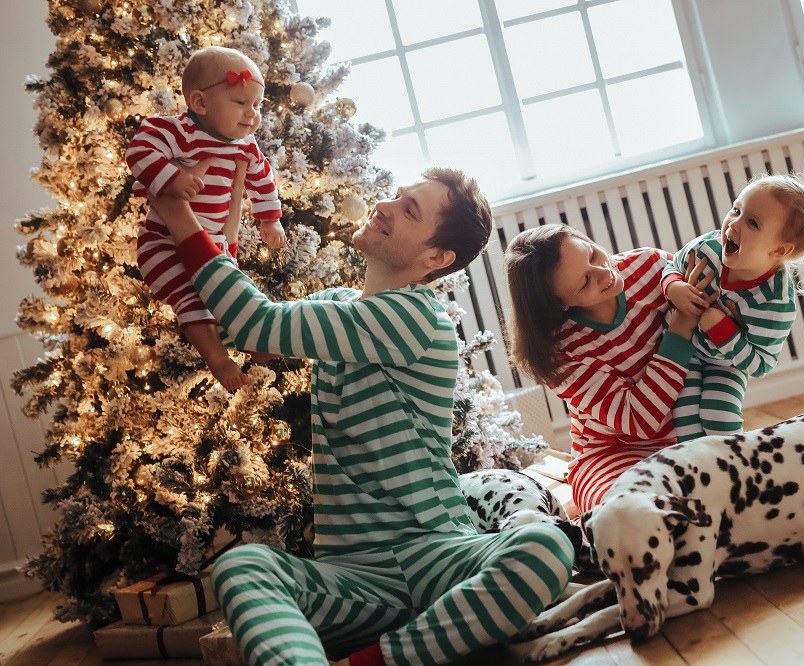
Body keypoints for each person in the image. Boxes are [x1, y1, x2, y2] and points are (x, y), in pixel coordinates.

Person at [148, 167, 574, 666]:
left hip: (438, 554)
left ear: (436, 258)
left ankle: (373, 661)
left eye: (409, 210)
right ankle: (417, 640)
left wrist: (177, 211)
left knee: (544, 545)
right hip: (353, 578)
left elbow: (254, 323)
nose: (386, 205)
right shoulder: (338, 307)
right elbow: (257, 338)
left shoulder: (416, 317)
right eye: (396, 196)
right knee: (242, 566)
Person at [504, 224, 718, 514]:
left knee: (725, 492)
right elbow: (640, 420)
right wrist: (682, 324)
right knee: (628, 510)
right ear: (559, 304)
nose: (604, 272)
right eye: (584, 282)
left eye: (592, 254)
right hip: (609, 453)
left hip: (691, 430)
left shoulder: (651, 266)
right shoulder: (556, 353)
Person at [126, 46, 286, 392]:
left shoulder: (245, 145)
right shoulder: (176, 132)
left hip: (217, 244)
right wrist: (171, 177)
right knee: (192, 298)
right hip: (163, 241)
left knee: (231, 295)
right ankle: (217, 357)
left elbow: (262, 177)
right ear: (199, 103)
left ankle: (248, 335)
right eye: (241, 103)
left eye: (257, 105)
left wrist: (270, 219)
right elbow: (139, 150)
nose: (252, 115)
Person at [662, 171, 804, 440]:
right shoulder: (707, 248)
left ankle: (736, 469)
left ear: (779, 250)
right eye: (736, 209)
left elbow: (760, 364)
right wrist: (674, 287)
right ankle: (696, 472)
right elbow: (670, 266)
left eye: (752, 223)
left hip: (726, 364)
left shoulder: (774, 303)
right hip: (684, 347)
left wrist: (721, 328)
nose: (734, 224)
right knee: (684, 421)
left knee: (718, 418)